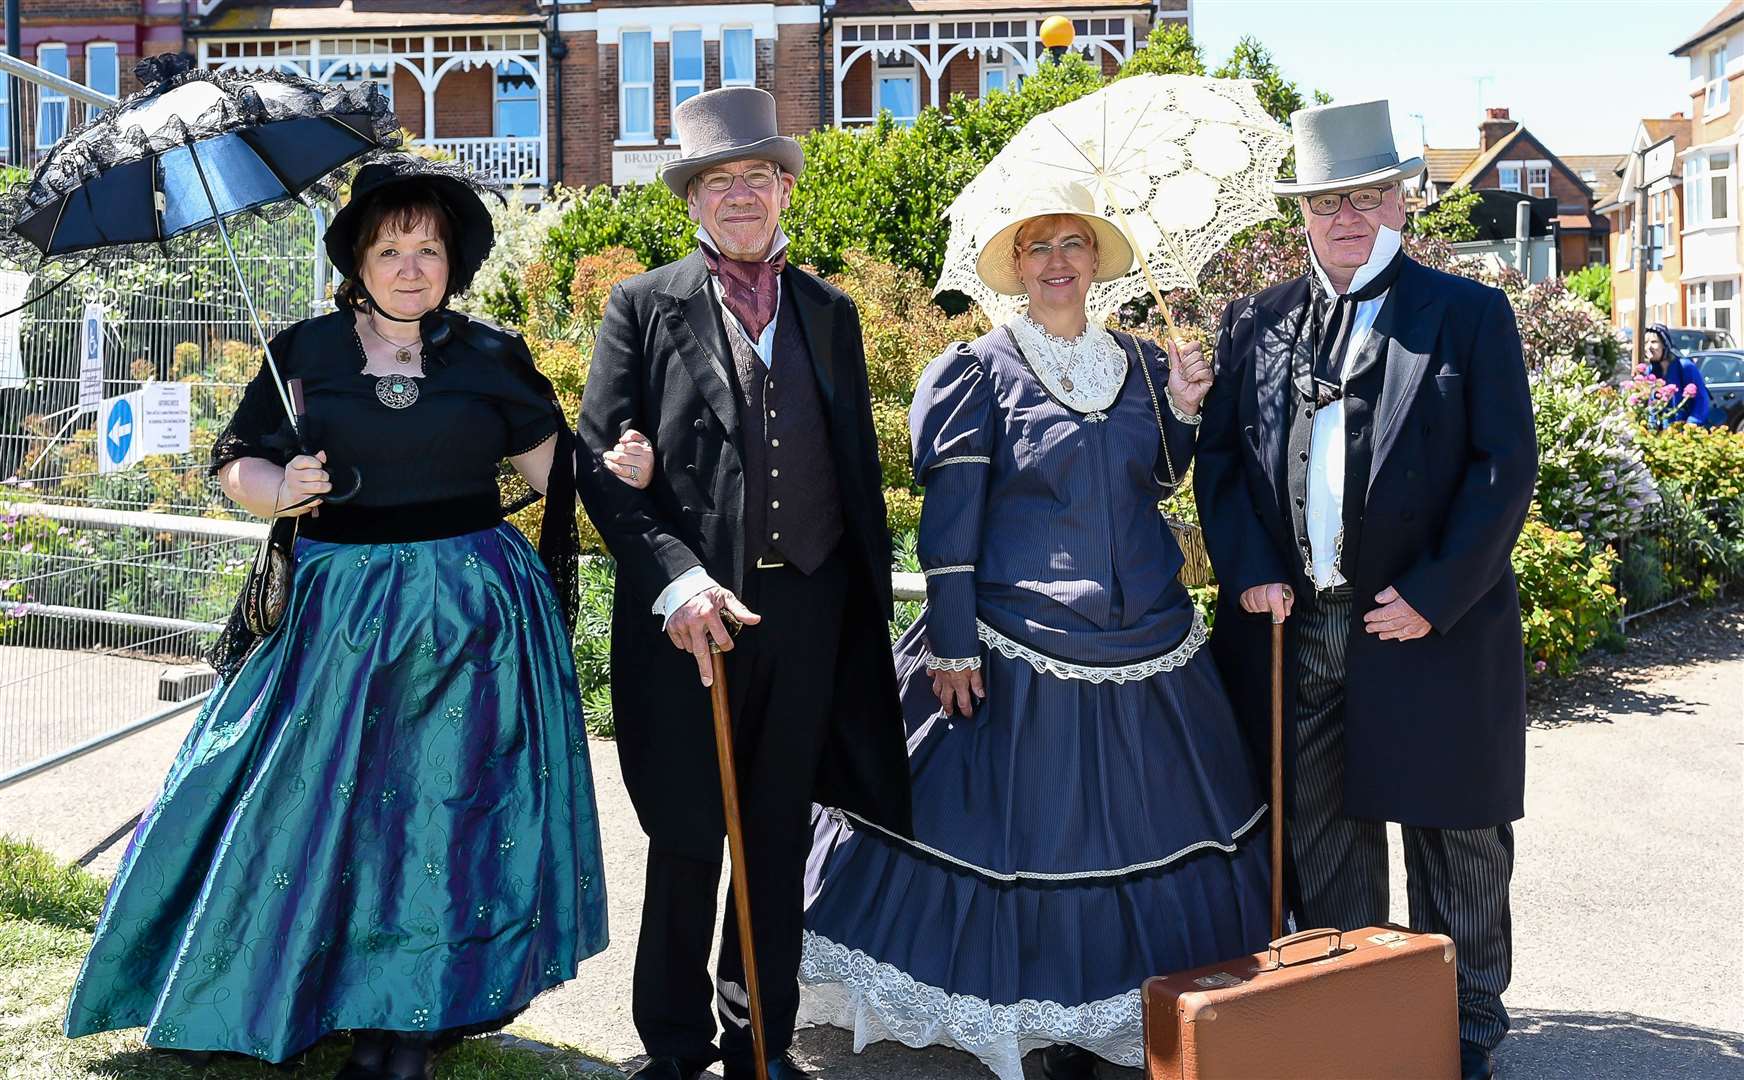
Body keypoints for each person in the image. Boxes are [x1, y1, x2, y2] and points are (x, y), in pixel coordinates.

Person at [62, 153, 609, 1080]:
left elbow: (552, 473)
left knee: (445, 812)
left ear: (453, 262)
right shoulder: (304, 354)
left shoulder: (491, 355)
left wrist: (616, 470)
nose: (409, 267)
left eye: (428, 250)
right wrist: (282, 484)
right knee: (322, 808)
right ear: (356, 259)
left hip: (473, 619)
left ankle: (414, 1021)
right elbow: (236, 462)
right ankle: (317, 996)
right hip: (340, 615)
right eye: (390, 248)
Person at [794, 182, 1270, 1080]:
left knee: (1139, 833)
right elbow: (952, 519)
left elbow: (1159, 482)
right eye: (1039, 246)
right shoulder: (978, 368)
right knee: (1033, 836)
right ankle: (1037, 1018)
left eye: (1074, 244)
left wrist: (1187, 408)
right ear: (1016, 266)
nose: (1058, 261)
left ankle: (1126, 1012)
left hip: (1150, 642)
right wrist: (953, 637)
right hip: (1019, 641)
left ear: (1098, 260)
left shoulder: (1139, 358)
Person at [1194, 100, 1538, 1080]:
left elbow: (1502, 465)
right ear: (1300, 213)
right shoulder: (1255, 323)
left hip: (1435, 627)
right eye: (1328, 201)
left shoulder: (1468, 316)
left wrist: (1436, 592)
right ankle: (1348, 1021)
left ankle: (1465, 1034)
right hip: (1301, 631)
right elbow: (1219, 463)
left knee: (1456, 843)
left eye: (1370, 196)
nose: (1349, 217)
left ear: (1403, 202)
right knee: (1322, 841)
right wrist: (1252, 567)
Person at [574, 86, 911, 1080]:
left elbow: (851, 472)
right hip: (691, 621)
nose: (738, 197)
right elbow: (601, 463)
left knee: (773, 844)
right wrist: (675, 579)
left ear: (785, 191)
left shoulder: (830, 315)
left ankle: (756, 1040)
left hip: (806, 615)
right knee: (687, 837)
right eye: (716, 181)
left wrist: (859, 614)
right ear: (690, 201)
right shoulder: (641, 307)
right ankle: (672, 1050)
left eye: (755, 178)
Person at [1643, 323, 1715, 426]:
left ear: (1665, 344)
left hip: (1684, 432)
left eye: (1654, 342)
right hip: (1659, 436)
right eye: (1645, 343)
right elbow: (1652, 405)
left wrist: (1692, 423)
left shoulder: (1685, 366)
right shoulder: (1650, 371)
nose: (1648, 347)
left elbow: (1702, 400)